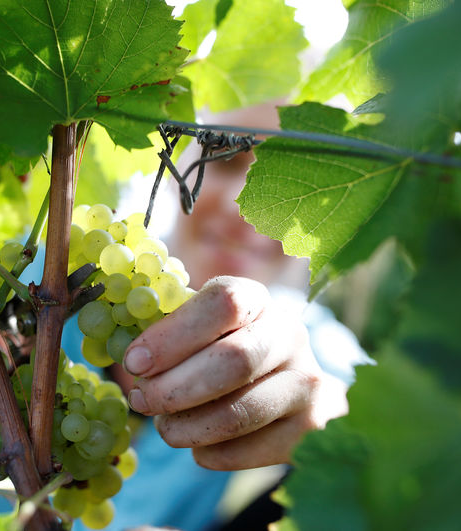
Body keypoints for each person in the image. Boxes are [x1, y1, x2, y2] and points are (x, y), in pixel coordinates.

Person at [61, 102, 371, 530]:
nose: (240, 205)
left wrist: (333, 418)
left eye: (289, 182)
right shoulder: (46, 277)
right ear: (179, 162)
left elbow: (407, 440)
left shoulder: (313, 344)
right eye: (224, 158)